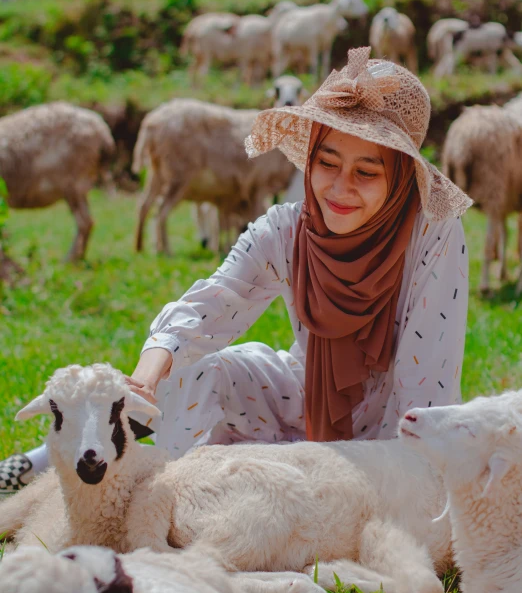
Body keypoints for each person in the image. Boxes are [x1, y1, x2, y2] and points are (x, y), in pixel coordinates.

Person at [0, 47, 472, 491]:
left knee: (355, 485)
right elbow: (208, 305)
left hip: (389, 442)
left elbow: (425, 391)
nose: (340, 187)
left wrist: (392, 479)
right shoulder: (289, 229)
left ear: (399, 179)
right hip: (303, 401)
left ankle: (193, 487)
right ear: (308, 163)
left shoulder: (433, 238)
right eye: (327, 162)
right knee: (189, 367)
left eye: (367, 172)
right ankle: (183, 498)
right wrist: (145, 378)